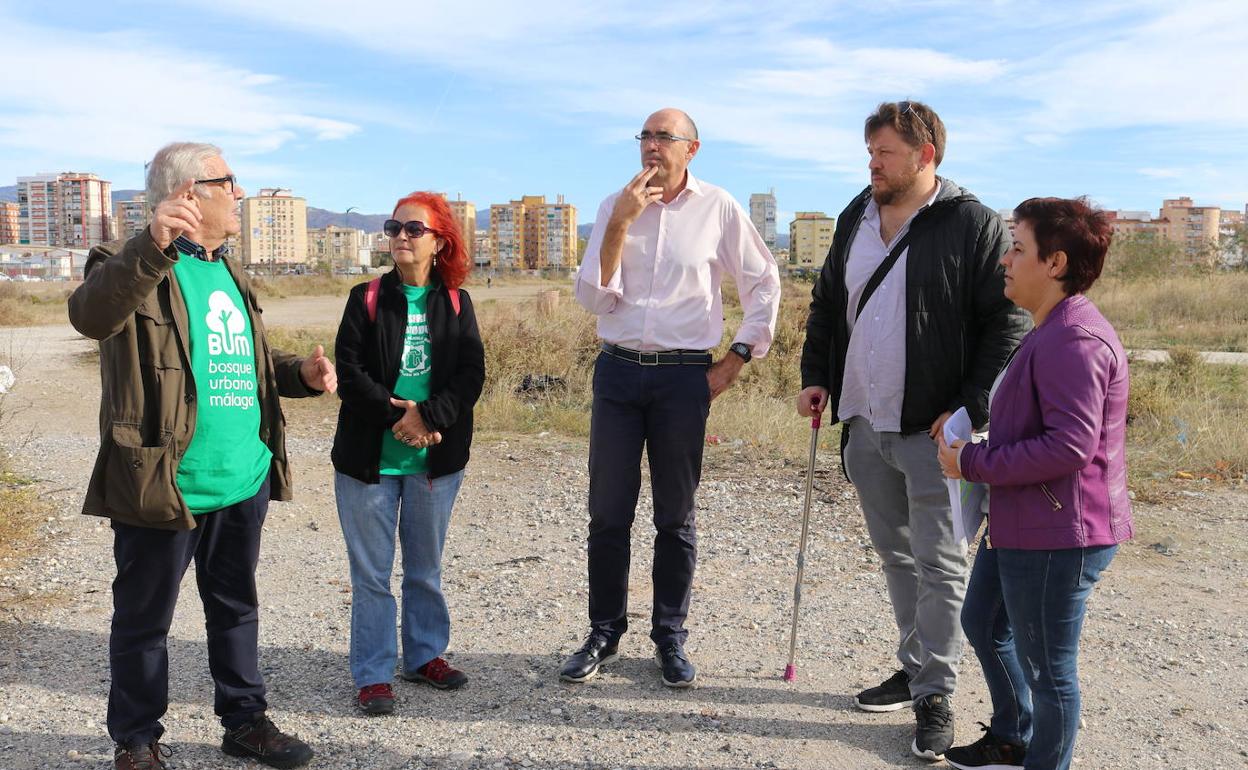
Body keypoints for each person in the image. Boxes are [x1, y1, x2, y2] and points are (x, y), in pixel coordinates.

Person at [68, 142, 335, 770]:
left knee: (236, 608)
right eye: (230, 181)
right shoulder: (123, 261)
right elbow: (90, 317)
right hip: (165, 481)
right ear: (191, 193)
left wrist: (300, 374)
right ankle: (136, 740)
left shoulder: (230, 271)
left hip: (242, 476)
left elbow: (245, 362)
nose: (239, 192)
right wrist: (151, 247)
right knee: (143, 621)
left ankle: (244, 722)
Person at [797, 100, 1029, 760]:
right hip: (866, 422)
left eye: (885, 152)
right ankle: (915, 668)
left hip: (938, 435)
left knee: (942, 563)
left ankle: (936, 693)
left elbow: (1007, 324)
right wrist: (819, 375)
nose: (872, 161)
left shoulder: (973, 224)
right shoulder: (854, 215)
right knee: (897, 556)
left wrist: (969, 409)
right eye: (869, 151)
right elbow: (827, 305)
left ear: (926, 156)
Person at [562, 108, 781, 687]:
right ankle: (604, 631)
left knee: (675, 516)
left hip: (685, 378)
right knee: (608, 511)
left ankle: (670, 636)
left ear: (692, 149)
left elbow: (764, 281)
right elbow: (593, 300)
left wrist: (736, 358)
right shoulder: (616, 204)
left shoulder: (719, 207)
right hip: (616, 372)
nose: (651, 147)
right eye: (645, 137)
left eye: (664, 137)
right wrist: (619, 225)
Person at [937, 197, 1133, 770]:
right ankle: (1013, 735)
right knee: (984, 623)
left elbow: (1071, 447)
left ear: (1055, 262)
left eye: (1018, 247)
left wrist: (970, 463)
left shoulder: (1075, 340)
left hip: (1060, 534)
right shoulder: (1050, 329)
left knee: (1052, 674)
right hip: (1027, 521)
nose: (1005, 259)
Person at [331, 192, 484, 715]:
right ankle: (373, 674)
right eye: (395, 227)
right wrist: (399, 418)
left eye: (413, 229)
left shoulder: (458, 303)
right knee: (372, 575)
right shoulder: (366, 298)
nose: (400, 236)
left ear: (440, 241)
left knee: (424, 568)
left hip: (434, 462)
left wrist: (430, 417)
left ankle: (424, 656)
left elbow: (471, 375)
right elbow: (350, 374)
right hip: (368, 461)